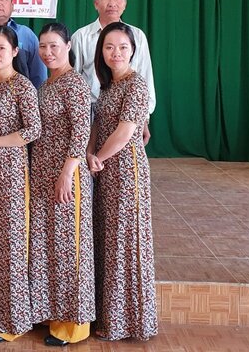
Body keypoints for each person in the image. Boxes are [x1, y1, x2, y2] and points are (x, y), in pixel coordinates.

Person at [87, 22, 157, 341]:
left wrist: (98, 157)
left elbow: (126, 132)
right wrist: (91, 153)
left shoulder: (136, 85)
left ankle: (125, 322)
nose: (116, 53)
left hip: (125, 172)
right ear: (101, 51)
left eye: (123, 47)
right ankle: (106, 315)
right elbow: (98, 123)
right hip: (104, 171)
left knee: (124, 242)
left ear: (133, 50)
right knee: (108, 239)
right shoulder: (108, 85)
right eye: (109, 47)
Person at [0, 25, 41, 343]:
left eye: (1, 48)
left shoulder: (23, 86)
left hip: (12, 171)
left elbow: (33, 131)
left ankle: (11, 319)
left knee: (10, 242)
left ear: (14, 52)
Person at [30, 23, 95, 346]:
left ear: (68, 46)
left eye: (54, 45)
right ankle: (53, 314)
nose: (48, 52)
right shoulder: (47, 83)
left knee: (70, 249)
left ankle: (73, 325)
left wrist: (68, 172)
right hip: (42, 173)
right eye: (43, 46)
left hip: (66, 177)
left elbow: (81, 132)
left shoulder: (74, 84)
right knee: (49, 247)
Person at [71, 0, 155, 144]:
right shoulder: (80, 37)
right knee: (91, 165)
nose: (112, 3)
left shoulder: (137, 36)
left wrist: (145, 118)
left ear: (125, 3)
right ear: (96, 4)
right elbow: (73, 81)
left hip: (127, 117)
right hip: (89, 117)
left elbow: (146, 78)